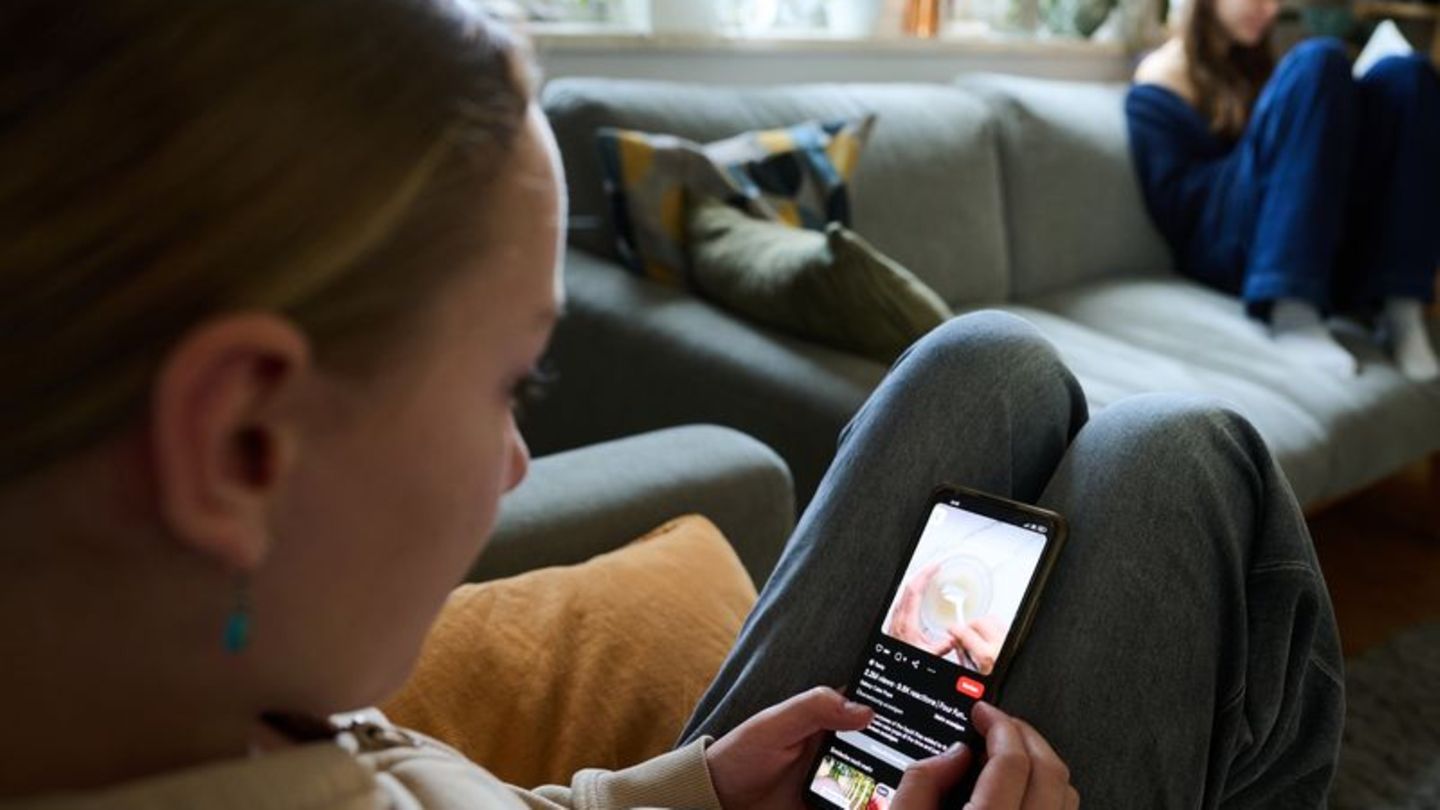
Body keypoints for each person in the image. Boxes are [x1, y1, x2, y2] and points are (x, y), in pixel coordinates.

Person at [0, 1, 1342, 809]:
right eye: (506, 386)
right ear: (241, 446)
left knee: (984, 365)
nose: (521, 461)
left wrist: (679, 786)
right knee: (1181, 456)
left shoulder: (215, 688)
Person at [1126, 0, 1440, 380]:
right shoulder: (1162, 72)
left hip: (1282, 229)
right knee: (1319, 58)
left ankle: (1400, 306)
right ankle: (1293, 309)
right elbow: (1180, 209)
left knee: (1407, 74)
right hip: (1217, 243)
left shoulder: (1253, 67)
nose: (1269, 9)